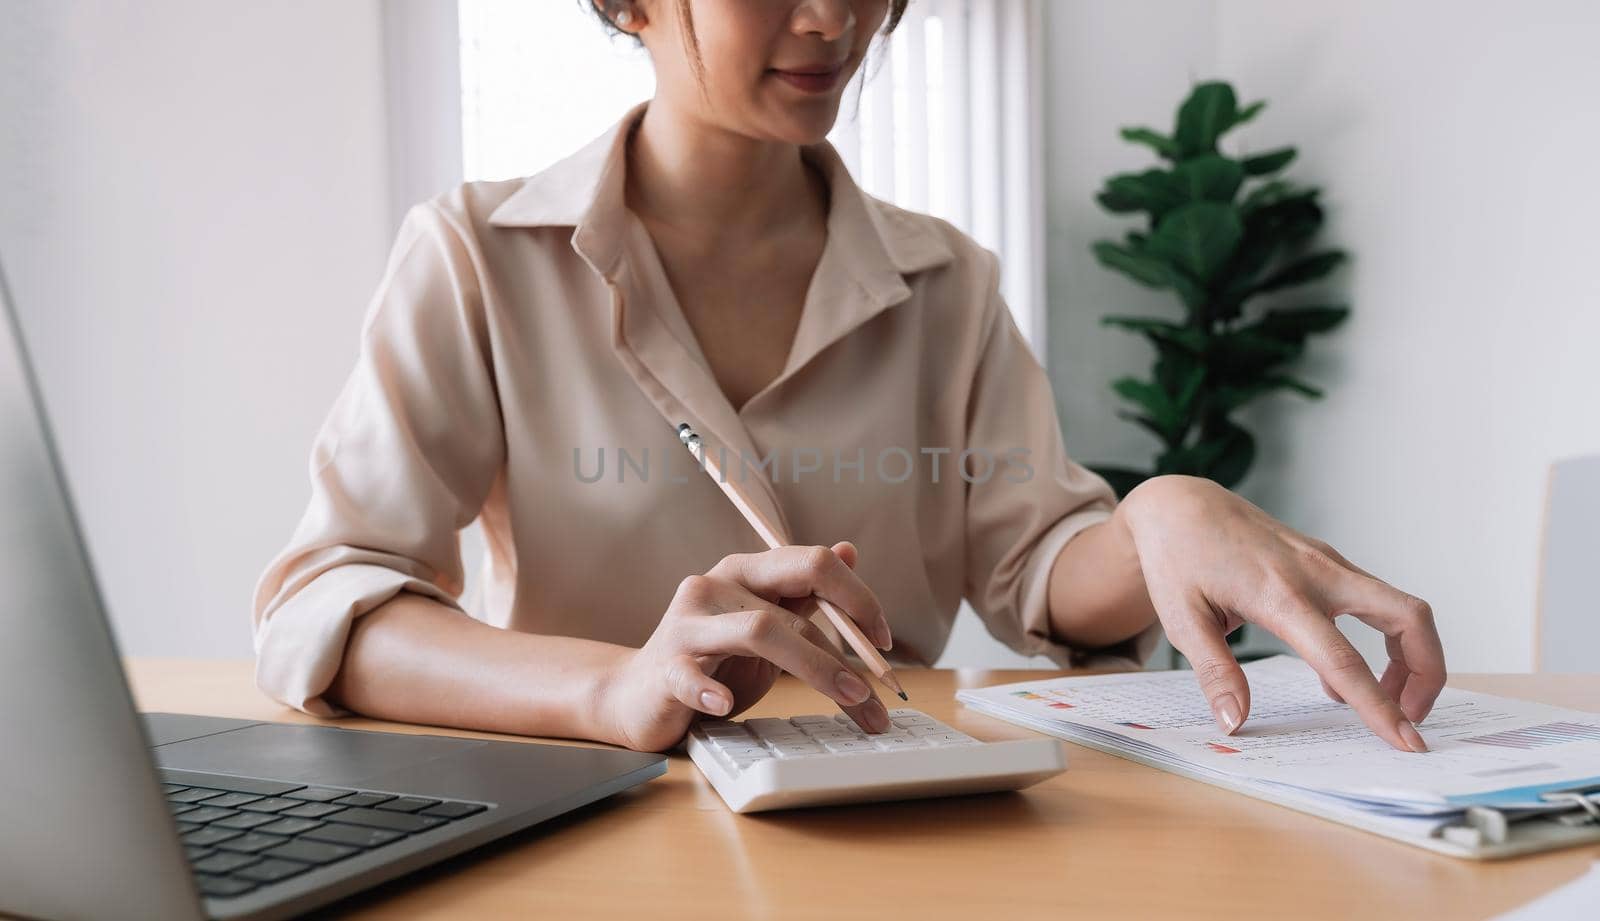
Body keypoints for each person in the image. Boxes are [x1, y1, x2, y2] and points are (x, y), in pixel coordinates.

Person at [253, 0, 1444, 755]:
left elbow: (1040, 574)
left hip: (895, 807)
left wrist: (1161, 515)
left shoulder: (946, 280)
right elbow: (329, 612)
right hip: (589, 823)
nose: (836, 18)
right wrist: (618, 690)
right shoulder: (475, 255)